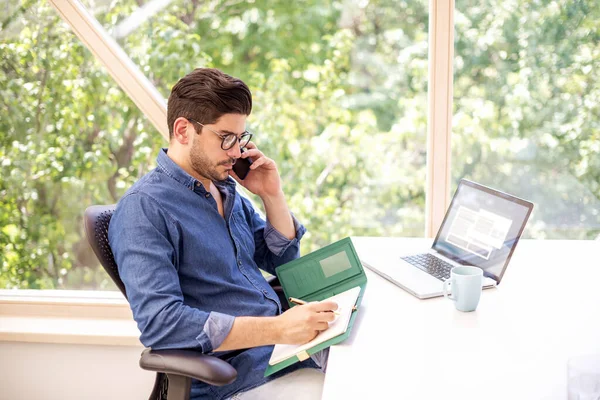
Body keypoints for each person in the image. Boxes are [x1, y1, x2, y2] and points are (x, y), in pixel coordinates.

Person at [108, 68, 337, 400]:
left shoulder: (226, 191)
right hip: (237, 381)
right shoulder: (144, 209)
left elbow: (282, 261)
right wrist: (279, 328)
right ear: (183, 130)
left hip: (285, 354)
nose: (235, 152)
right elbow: (162, 323)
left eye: (240, 139)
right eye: (226, 138)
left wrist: (272, 194)